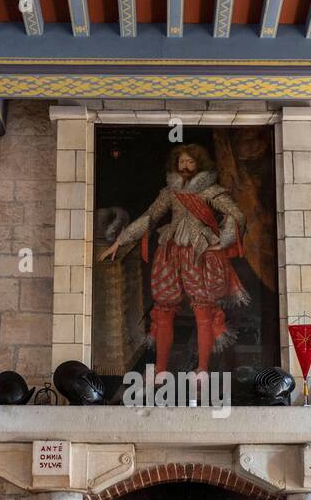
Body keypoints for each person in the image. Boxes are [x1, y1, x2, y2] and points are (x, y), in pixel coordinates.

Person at [100, 143, 249, 374]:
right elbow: (150, 217)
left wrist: (224, 239)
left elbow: (236, 215)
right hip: (170, 253)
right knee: (164, 312)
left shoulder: (211, 191)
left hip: (199, 254)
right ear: (175, 165)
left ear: (199, 164)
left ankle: (202, 370)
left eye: (190, 162)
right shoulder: (170, 192)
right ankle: (160, 371)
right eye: (181, 162)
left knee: (203, 314)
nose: (185, 166)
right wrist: (120, 241)